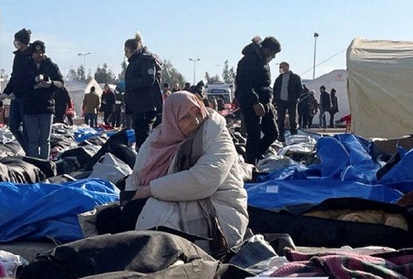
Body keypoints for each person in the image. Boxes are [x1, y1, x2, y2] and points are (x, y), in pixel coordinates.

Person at [123, 91, 249, 253]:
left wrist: (149, 190)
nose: (195, 121)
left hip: (218, 218)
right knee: (112, 218)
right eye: (185, 117)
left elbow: (203, 180)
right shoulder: (157, 140)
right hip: (178, 201)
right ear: (172, 120)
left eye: (197, 113)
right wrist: (130, 196)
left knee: (149, 229)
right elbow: (137, 176)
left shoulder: (216, 135)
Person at [235, 35, 280, 164]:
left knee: (272, 133)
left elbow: (266, 85)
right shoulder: (247, 61)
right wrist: (255, 102)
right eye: (273, 53)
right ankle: (250, 164)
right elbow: (244, 85)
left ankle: (252, 158)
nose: (274, 57)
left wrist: (269, 101)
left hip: (265, 103)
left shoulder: (264, 62)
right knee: (253, 136)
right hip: (251, 103)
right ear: (267, 49)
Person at [20, 40, 64, 159]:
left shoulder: (51, 66)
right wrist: (34, 83)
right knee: (33, 140)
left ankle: (45, 163)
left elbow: (61, 84)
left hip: (47, 107)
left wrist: (50, 84)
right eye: (36, 53)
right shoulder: (26, 67)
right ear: (32, 54)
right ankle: (34, 163)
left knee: (45, 140)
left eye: (41, 53)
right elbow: (19, 85)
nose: (39, 55)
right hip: (30, 108)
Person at [123, 32, 164, 149]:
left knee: (143, 136)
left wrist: (130, 84)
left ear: (133, 50)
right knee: (140, 135)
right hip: (139, 106)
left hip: (145, 106)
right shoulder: (136, 61)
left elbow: (148, 79)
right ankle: (142, 158)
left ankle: (145, 161)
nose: (125, 55)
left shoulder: (145, 60)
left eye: (126, 51)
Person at [1, 28, 31, 148]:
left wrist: (17, 92)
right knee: (13, 125)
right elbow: (14, 76)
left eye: (17, 41)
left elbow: (27, 79)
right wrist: (6, 92)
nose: (15, 43)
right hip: (16, 98)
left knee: (27, 127)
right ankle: (25, 147)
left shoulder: (31, 57)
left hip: (26, 98)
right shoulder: (18, 56)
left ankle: (30, 151)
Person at [272, 61, 302, 141]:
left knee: (292, 118)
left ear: (287, 67)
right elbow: (275, 89)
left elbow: (299, 89)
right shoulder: (279, 78)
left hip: (291, 101)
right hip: (281, 101)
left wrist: (295, 98)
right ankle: (280, 136)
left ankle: (294, 135)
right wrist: (275, 100)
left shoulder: (295, 77)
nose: (280, 69)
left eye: (282, 67)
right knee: (281, 119)